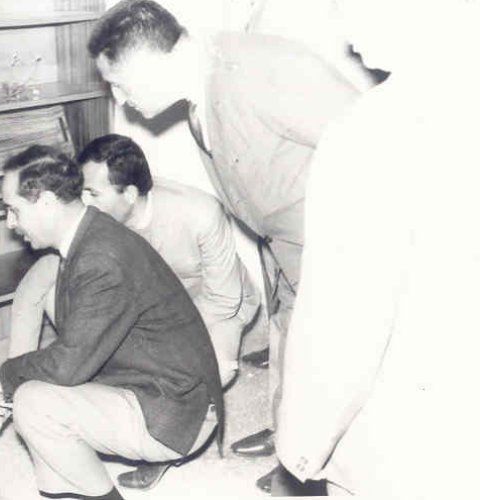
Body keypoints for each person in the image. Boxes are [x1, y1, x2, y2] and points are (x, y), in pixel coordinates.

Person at [87, 0, 358, 493]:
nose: (120, 101)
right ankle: (293, 446)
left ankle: (319, 467)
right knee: (289, 343)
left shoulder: (259, 68)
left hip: (337, 246)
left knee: (339, 366)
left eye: (119, 84)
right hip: (285, 246)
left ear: (148, 61)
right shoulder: (199, 92)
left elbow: (368, 140)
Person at [275, 0, 480, 497]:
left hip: (407, 432)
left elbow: (346, 317)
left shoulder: (369, 130)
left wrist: (302, 440)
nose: (343, 27)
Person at [7, 134, 259, 489]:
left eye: (92, 192)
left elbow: (223, 300)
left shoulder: (197, 213)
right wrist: (14, 376)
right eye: (80, 190)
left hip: (214, 308)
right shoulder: (89, 227)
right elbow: (32, 290)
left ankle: (162, 445)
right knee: (55, 354)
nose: (80, 200)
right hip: (144, 314)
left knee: (213, 370)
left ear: (128, 194)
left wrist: (165, 337)